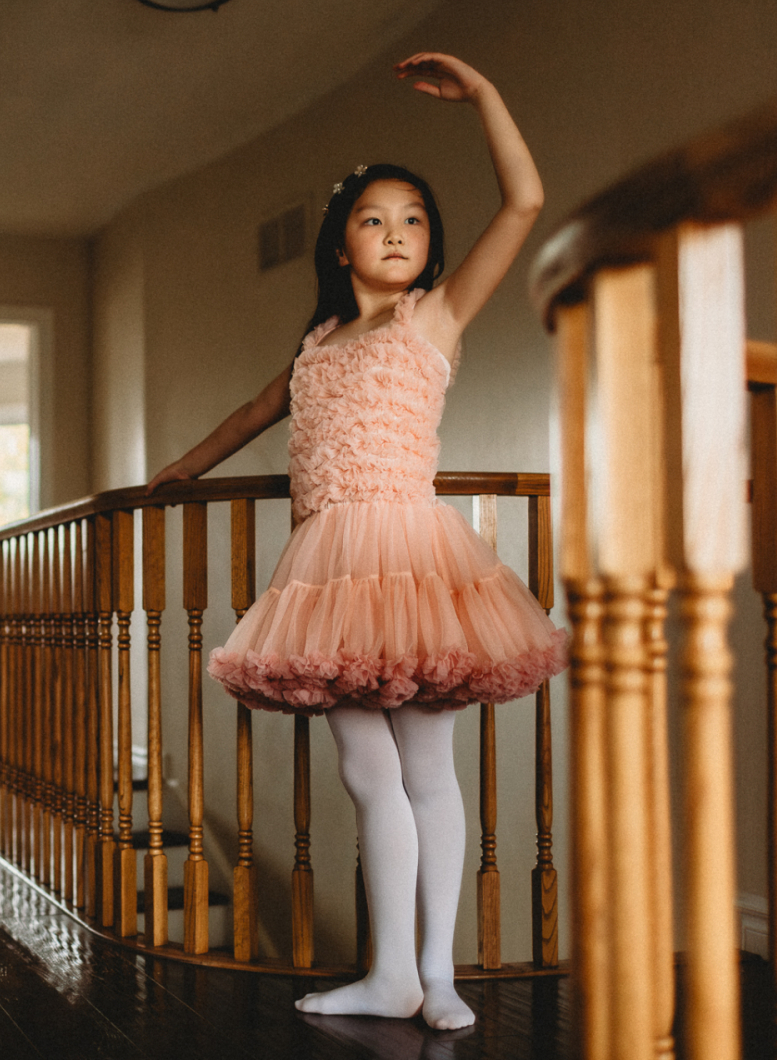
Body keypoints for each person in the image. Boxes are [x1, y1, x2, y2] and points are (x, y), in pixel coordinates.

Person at [147, 53, 566, 1030]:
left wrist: (488, 96)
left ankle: (437, 970)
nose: (396, 233)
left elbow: (526, 199)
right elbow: (255, 410)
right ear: (340, 242)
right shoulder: (317, 341)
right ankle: (393, 972)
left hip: (412, 560)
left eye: (413, 219)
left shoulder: (437, 316)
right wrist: (177, 472)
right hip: (328, 568)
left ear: (432, 247)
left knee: (428, 770)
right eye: (374, 217)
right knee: (366, 773)